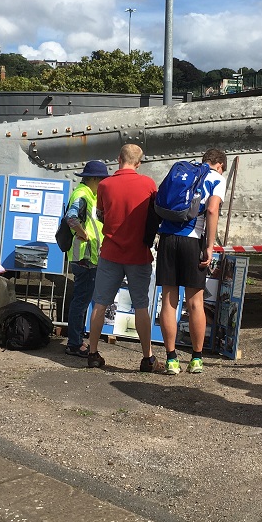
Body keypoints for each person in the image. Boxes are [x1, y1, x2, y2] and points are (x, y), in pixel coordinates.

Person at [85, 144, 163, 373]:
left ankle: (92, 353)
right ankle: (147, 358)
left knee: (100, 303)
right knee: (141, 305)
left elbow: (100, 215)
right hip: (139, 254)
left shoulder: (106, 185)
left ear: (118, 158)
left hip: (110, 252)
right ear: (138, 163)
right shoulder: (148, 184)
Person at [156, 149, 227, 374]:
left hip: (167, 238)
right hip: (192, 240)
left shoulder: (184, 172)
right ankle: (196, 359)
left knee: (169, 300)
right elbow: (213, 209)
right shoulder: (217, 178)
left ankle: (171, 359)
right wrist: (209, 245)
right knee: (195, 302)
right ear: (220, 165)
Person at [64, 160, 108, 357]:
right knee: (81, 301)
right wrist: (83, 234)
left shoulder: (89, 194)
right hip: (85, 257)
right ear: (94, 179)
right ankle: (74, 343)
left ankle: (76, 340)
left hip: (86, 256)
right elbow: (71, 218)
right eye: (101, 179)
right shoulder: (83, 195)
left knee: (81, 299)